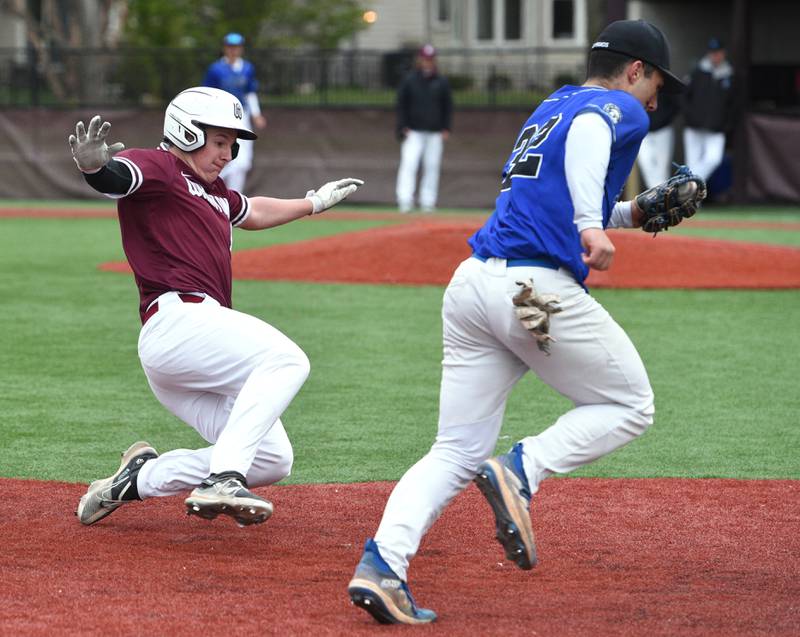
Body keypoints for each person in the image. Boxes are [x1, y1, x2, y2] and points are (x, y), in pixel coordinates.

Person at [348, 19, 685, 624]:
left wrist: (634, 212)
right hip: (529, 289)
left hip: (474, 283)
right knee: (631, 405)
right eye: (656, 81)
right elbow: (589, 144)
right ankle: (521, 469)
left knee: (453, 449)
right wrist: (591, 227)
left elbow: (560, 184)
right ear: (635, 70)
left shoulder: (553, 104)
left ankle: (382, 566)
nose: (656, 99)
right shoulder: (610, 107)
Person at [69, 86, 362, 527]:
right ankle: (224, 476)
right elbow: (118, 177)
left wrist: (313, 203)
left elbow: (255, 212)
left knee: (272, 460)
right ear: (187, 132)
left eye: (232, 144)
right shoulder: (162, 167)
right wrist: (95, 167)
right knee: (286, 360)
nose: (229, 154)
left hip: (191, 347)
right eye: (220, 141)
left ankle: (139, 479)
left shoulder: (214, 190)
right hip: (178, 322)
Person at [203, 32, 267, 193]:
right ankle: (211, 189)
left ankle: (234, 197)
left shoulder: (247, 68)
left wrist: (256, 114)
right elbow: (207, 94)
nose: (233, 50)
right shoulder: (216, 69)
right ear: (225, 48)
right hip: (221, 116)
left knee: (243, 161)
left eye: (236, 47)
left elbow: (250, 93)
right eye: (230, 47)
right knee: (223, 155)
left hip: (241, 115)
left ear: (241, 49)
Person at [395, 44, 453, 213]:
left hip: (434, 132)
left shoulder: (441, 82)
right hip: (413, 131)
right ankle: (404, 200)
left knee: (432, 166)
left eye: (430, 59)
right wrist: (402, 126)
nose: (427, 62)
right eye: (425, 58)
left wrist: (446, 127)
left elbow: (447, 106)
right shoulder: (410, 80)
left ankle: (428, 201)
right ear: (420, 60)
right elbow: (401, 105)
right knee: (409, 164)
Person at [682, 38, 735, 182]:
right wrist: (689, 116)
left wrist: (726, 125)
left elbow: (733, 104)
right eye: (712, 53)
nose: (715, 56)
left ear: (723, 53)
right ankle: (692, 200)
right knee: (692, 162)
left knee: (713, 159)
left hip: (716, 128)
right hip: (694, 126)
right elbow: (684, 96)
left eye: (717, 53)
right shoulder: (698, 72)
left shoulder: (729, 75)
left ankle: (687, 183)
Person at [637, 91, 679, 188]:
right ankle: (658, 196)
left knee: (662, 167)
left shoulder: (664, 87)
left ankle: (661, 198)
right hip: (644, 132)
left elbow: (676, 104)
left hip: (663, 129)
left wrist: (665, 120)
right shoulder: (638, 85)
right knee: (646, 164)